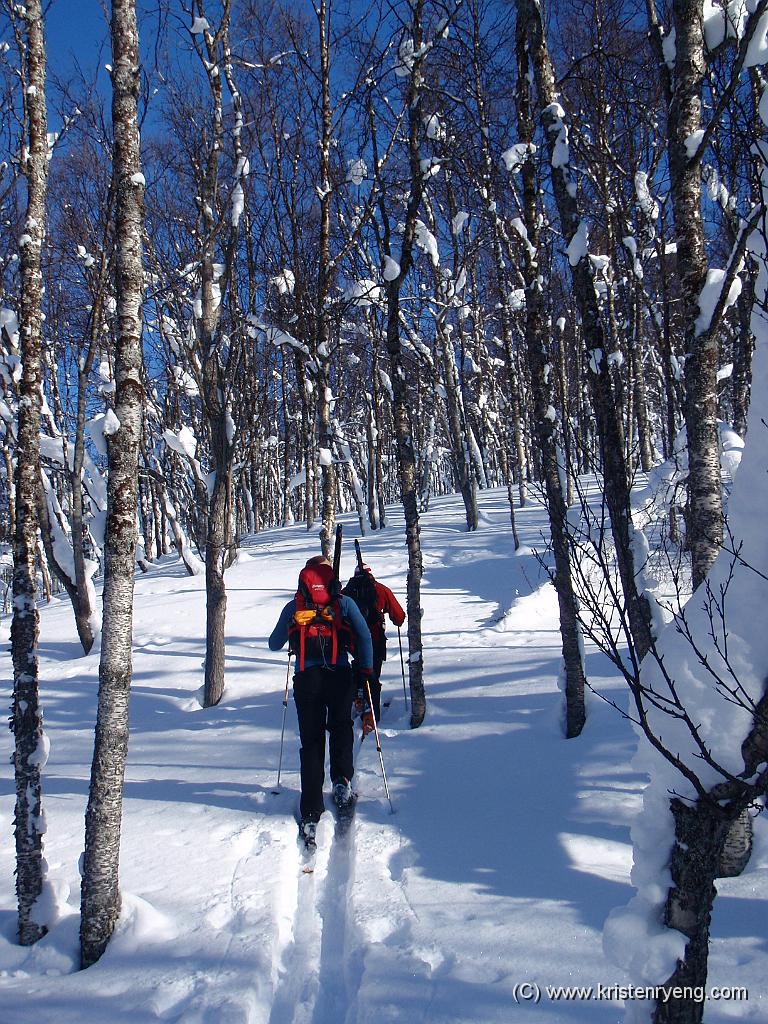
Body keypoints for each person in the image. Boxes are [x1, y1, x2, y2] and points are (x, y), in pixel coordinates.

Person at [269, 555, 374, 847]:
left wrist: (293, 626)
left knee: (312, 739)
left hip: (307, 678)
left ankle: (311, 807)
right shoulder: (342, 603)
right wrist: (365, 669)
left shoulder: (296, 606)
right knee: (340, 726)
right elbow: (364, 636)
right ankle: (341, 782)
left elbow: (273, 643)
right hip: (340, 674)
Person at [343, 562, 405, 722]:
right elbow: (398, 617)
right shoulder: (381, 589)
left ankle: (356, 698)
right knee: (372, 674)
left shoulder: (346, 592)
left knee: (356, 669)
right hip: (375, 640)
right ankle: (372, 714)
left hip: (352, 641)